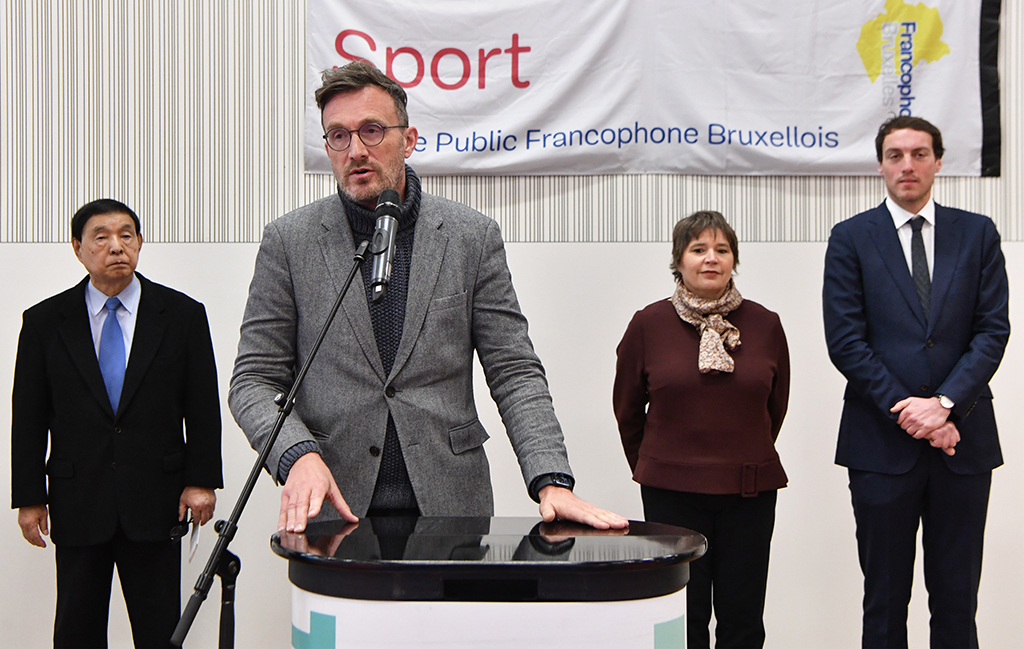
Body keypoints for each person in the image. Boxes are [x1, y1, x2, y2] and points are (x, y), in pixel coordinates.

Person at [229, 60, 626, 533]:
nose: (355, 150)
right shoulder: (289, 242)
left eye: (372, 131)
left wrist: (551, 479)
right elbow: (253, 380)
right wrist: (296, 455)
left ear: (409, 139)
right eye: (339, 136)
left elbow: (514, 370)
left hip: (451, 506)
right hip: (334, 508)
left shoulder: (470, 236)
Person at [823, 116, 1009, 648]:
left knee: (956, 601)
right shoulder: (851, 238)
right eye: (896, 154)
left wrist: (946, 405)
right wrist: (915, 413)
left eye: (920, 154)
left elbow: (992, 330)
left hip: (964, 445)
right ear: (880, 164)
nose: (908, 165)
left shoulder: (977, 234)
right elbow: (847, 342)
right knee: (884, 602)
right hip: (880, 446)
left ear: (938, 161)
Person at [11, 198, 223, 648]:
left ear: (140, 243)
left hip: (157, 500)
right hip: (77, 499)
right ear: (78, 248)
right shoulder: (45, 322)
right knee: (76, 627)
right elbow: (27, 417)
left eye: (126, 235)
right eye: (101, 237)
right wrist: (29, 498)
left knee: (159, 628)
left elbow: (202, 406)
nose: (116, 247)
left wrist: (201, 481)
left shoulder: (182, 315)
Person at [613, 210, 790, 649]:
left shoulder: (765, 324)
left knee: (743, 619)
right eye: (698, 250)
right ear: (679, 260)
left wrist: (744, 454)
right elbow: (628, 410)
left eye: (722, 250)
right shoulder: (648, 323)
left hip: (748, 494)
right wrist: (656, 466)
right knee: (682, 618)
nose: (711, 259)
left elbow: (775, 407)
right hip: (670, 494)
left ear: (734, 260)